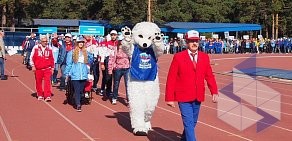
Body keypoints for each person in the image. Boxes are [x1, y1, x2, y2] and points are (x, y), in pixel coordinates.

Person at [165, 30, 219, 141]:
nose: (194, 44)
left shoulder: (204, 57)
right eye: (191, 41)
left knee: (192, 122)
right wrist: (169, 98)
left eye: (196, 41)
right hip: (183, 97)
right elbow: (171, 78)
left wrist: (214, 91)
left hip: (198, 96)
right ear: (186, 42)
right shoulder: (178, 57)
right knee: (189, 123)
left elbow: (209, 76)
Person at [64, 37, 93, 112]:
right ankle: (78, 104)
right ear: (76, 43)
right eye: (79, 42)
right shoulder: (72, 52)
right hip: (75, 75)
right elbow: (69, 64)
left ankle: (77, 99)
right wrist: (66, 74)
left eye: (82, 42)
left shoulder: (85, 52)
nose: (81, 43)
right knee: (77, 90)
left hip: (83, 74)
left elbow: (90, 61)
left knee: (81, 90)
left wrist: (91, 54)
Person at [30, 35, 54, 102]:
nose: (45, 42)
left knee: (47, 82)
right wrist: (33, 65)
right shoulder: (35, 48)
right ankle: (40, 94)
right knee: (38, 82)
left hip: (47, 68)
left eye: (46, 41)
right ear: (40, 41)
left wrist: (52, 68)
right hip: (38, 68)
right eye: (43, 41)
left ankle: (47, 96)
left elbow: (52, 59)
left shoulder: (49, 48)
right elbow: (32, 57)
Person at [109, 41, 130, 105]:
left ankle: (129, 99)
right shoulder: (115, 49)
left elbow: (132, 58)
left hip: (127, 68)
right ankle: (114, 98)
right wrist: (110, 69)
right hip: (118, 69)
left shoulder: (128, 49)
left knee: (128, 85)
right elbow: (112, 59)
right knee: (116, 84)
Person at [99, 30, 118, 97]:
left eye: (114, 35)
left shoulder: (118, 43)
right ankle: (108, 91)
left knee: (116, 78)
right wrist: (102, 63)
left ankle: (115, 92)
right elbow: (103, 54)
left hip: (116, 62)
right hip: (108, 61)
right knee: (108, 77)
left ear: (116, 36)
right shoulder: (107, 43)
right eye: (112, 35)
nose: (113, 36)